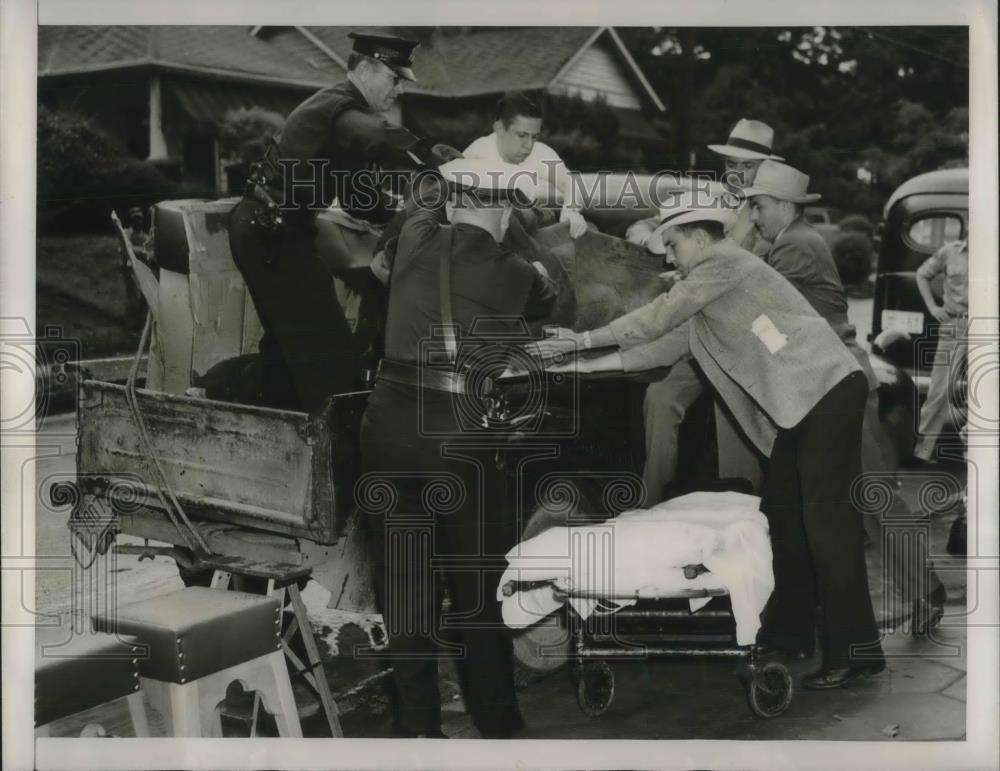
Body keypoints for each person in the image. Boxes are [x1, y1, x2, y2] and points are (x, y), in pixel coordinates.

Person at [531, 190, 885, 689]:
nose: (667, 256)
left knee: (826, 525)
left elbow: (660, 315)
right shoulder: (710, 289)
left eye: (672, 245)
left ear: (698, 237)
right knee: (782, 516)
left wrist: (583, 338)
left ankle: (856, 652)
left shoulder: (724, 262)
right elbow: (655, 348)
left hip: (824, 394)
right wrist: (573, 363)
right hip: (807, 403)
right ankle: (792, 631)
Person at [359, 158, 558, 737]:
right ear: (502, 208)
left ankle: (418, 730)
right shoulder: (516, 271)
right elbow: (551, 298)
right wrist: (514, 228)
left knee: (404, 592)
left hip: (388, 424)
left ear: (450, 200)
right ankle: (499, 727)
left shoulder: (417, 236)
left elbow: (418, 204)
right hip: (459, 435)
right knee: (477, 592)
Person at [745, 160, 948, 630]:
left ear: (781, 205)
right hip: (834, 380)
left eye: (757, 206)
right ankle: (917, 592)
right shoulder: (793, 241)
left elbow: (765, 318)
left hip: (839, 382)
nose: (753, 216)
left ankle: (926, 590)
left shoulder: (794, 247)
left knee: (873, 494)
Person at [228, 32, 433, 412]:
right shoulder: (339, 109)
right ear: (368, 69)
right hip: (271, 234)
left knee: (288, 350)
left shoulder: (344, 118)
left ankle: (256, 413)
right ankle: (338, 449)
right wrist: (439, 161)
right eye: (395, 78)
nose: (400, 90)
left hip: (270, 231)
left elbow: (360, 198)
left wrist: (407, 209)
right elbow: (376, 136)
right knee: (331, 353)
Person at [630, 119, 783, 505]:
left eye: (745, 166)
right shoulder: (715, 199)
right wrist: (650, 233)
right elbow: (653, 223)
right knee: (660, 398)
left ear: (765, 168)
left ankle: (756, 511)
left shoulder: (773, 217)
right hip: (698, 330)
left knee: (745, 414)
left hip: (745, 336)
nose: (736, 173)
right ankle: (652, 502)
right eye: (731, 164)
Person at [463, 92, 589, 239]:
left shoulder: (539, 152)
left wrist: (571, 211)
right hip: (482, 241)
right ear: (500, 129)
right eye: (522, 136)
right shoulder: (475, 154)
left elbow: (570, 183)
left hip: (525, 237)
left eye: (534, 136)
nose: (529, 145)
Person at [913, 237, 969, 462]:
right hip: (953, 326)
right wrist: (932, 307)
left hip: (987, 325)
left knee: (986, 391)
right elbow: (922, 274)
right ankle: (921, 453)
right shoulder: (950, 251)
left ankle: (976, 453)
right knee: (939, 390)